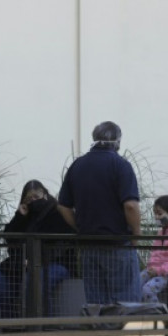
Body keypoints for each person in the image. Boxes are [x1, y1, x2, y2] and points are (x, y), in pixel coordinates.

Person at [57, 121, 141, 305]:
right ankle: (122, 333)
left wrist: (79, 226)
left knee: (96, 304)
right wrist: (136, 235)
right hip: (117, 244)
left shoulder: (77, 165)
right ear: (117, 141)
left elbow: (63, 206)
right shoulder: (121, 165)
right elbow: (131, 206)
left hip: (88, 246)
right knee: (126, 303)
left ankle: (99, 333)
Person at [0, 180, 77, 320]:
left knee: (36, 281)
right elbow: (10, 237)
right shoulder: (25, 216)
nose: (33, 201)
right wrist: (19, 217)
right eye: (28, 199)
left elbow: (61, 242)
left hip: (55, 263)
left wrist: (35, 259)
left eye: (36, 197)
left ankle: (43, 330)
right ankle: (10, 326)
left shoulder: (57, 213)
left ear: (45, 195)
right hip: (22, 264)